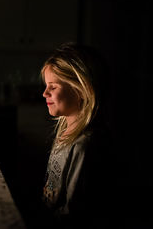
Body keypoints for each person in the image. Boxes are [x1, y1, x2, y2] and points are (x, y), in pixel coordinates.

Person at [40, 42, 113, 228]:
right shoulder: (65, 133)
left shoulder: (83, 146)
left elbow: (73, 212)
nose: (44, 93)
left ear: (81, 90)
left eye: (53, 87)